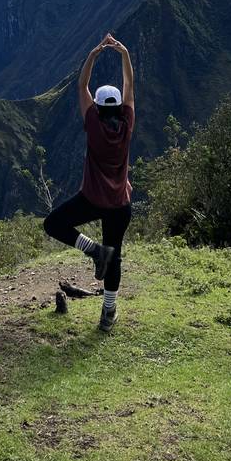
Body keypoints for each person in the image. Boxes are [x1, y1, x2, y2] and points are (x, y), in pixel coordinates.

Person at [43, 32, 135, 332]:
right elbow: (129, 86)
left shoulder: (93, 124)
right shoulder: (127, 125)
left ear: (96, 107)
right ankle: (108, 314)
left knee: (53, 224)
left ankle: (93, 249)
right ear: (119, 107)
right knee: (115, 256)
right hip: (120, 205)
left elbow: (82, 85)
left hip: (92, 200)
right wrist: (124, 54)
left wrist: (94, 53)